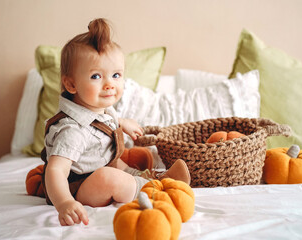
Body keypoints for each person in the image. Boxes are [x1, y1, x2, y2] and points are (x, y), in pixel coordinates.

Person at [41, 18, 190, 227]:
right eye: (96, 76)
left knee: (116, 159)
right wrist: (64, 202)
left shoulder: (95, 106)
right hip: (77, 187)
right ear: (71, 84)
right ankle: (154, 187)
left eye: (116, 75)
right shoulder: (72, 131)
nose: (109, 84)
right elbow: (56, 170)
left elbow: (102, 121)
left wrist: (121, 122)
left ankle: (140, 175)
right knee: (108, 177)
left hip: (99, 164)